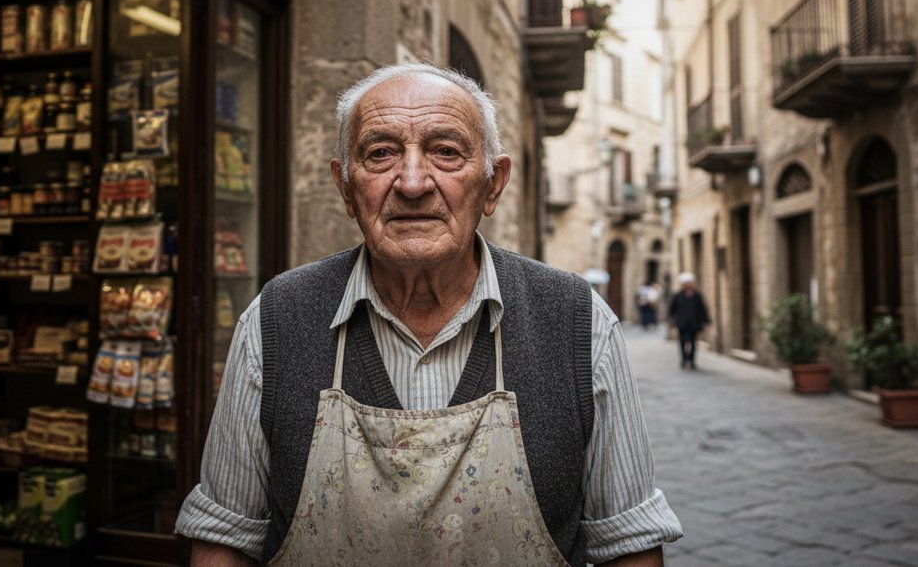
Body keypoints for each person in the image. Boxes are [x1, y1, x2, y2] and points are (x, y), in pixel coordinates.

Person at [176, 63, 682, 566]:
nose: (413, 182)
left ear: (493, 184)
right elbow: (224, 536)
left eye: (446, 151)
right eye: (380, 154)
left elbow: (629, 545)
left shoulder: (577, 322)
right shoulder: (276, 320)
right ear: (346, 187)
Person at [668, 272, 709, 370]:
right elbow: (672, 310)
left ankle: (692, 360)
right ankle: (684, 359)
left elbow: (702, 308)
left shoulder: (697, 295)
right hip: (682, 324)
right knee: (683, 342)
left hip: (694, 323)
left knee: (693, 343)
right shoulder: (678, 296)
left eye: (690, 282)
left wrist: (705, 321)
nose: (688, 285)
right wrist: (672, 321)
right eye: (686, 283)